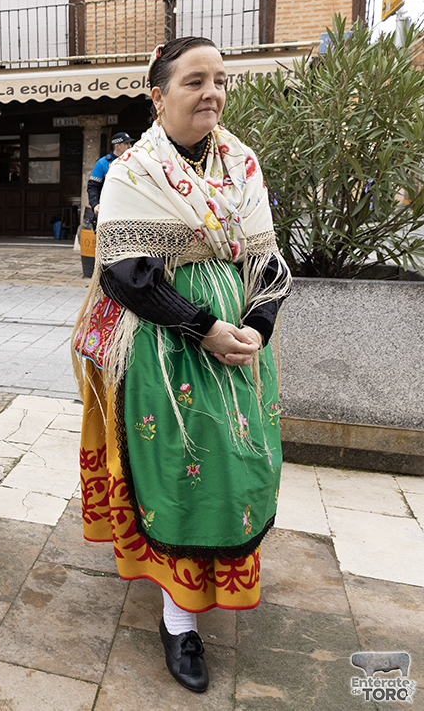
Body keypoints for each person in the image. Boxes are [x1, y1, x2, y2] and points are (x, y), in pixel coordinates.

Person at [71, 38, 291, 693]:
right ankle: (179, 622)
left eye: (220, 80)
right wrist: (203, 328)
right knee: (183, 471)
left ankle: (218, 579)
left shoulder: (242, 164)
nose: (212, 93)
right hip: (167, 345)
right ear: (157, 93)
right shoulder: (134, 173)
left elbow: (269, 260)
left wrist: (256, 326)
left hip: (242, 347)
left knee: (240, 465)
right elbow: (124, 275)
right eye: (195, 80)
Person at [79, 132, 134, 277]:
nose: (130, 146)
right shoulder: (103, 163)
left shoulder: (134, 161)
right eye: (127, 144)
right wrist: (95, 204)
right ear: (117, 146)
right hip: (109, 213)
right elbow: (93, 186)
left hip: (130, 211)